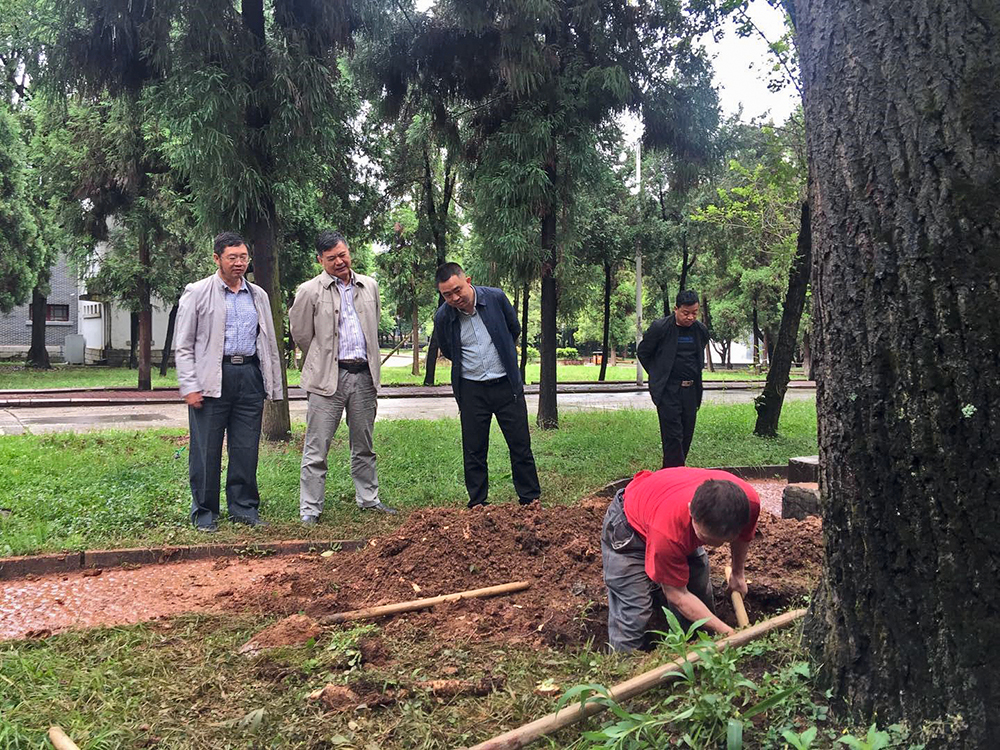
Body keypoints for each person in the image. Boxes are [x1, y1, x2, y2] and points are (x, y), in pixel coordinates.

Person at [174, 231, 283, 532]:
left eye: (243, 257)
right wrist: (189, 385)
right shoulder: (197, 292)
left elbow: (268, 342)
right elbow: (183, 345)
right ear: (217, 258)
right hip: (212, 377)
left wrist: (271, 383)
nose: (239, 263)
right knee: (206, 450)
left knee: (246, 448)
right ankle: (205, 511)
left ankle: (243, 507)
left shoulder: (258, 295)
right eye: (232, 257)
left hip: (249, 375)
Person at [289, 230, 395, 522]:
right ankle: (310, 509)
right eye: (331, 258)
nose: (339, 262)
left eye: (342, 255)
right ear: (320, 260)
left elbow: (372, 326)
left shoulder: (369, 286)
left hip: (364, 377)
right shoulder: (309, 291)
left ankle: (369, 499)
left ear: (349, 252)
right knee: (317, 447)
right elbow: (301, 334)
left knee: (364, 445)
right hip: (327, 379)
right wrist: (324, 358)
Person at [601, 466, 760, 652]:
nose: (716, 546)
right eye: (705, 538)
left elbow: (744, 536)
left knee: (698, 588)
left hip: (665, 507)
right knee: (634, 612)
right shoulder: (668, 534)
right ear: (691, 510)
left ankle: (700, 648)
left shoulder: (748, 503)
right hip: (629, 529)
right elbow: (677, 595)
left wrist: (738, 574)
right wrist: (728, 632)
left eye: (724, 540)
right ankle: (623, 662)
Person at [431, 262, 541, 509]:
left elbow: (513, 329)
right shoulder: (443, 316)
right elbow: (448, 350)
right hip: (471, 390)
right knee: (474, 450)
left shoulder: (495, 298)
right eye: (447, 295)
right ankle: (478, 503)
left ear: (468, 281)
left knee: (520, 445)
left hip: (506, 385)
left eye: (457, 290)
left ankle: (530, 500)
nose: (454, 298)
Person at [637, 290, 710, 468]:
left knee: (686, 434)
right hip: (669, 390)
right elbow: (643, 352)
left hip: (691, 391)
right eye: (686, 313)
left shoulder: (700, 330)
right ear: (676, 309)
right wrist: (658, 374)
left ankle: (671, 471)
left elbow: (698, 354)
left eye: (694, 313)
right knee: (673, 436)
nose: (690, 317)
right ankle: (675, 475)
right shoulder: (660, 328)